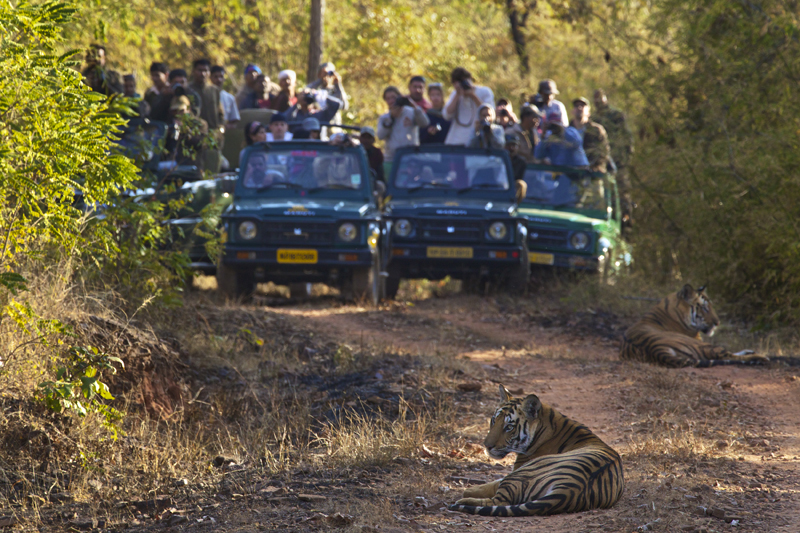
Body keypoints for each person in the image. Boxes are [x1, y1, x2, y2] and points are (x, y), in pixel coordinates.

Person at [592, 88, 634, 228]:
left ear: (606, 98)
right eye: (595, 99)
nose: (598, 101)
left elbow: (627, 136)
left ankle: (626, 223)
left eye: (600, 98)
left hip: (618, 161)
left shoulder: (616, 115)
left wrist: (626, 156)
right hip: (603, 163)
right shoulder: (593, 119)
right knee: (604, 195)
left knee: (623, 194)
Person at [377, 86, 429, 164]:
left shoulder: (411, 112)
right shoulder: (384, 118)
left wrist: (414, 106)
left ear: (399, 97)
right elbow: (380, 136)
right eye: (388, 99)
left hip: (410, 156)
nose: (391, 101)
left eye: (393, 97)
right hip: (391, 158)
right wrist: (391, 118)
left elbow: (425, 123)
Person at [443, 67, 494, 145]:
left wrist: (472, 95)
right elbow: (446, 115)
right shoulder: (455, 94)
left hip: (476, 140)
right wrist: (457, 95)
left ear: (470, 79)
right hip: (456, 141)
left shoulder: (484, 92)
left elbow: (489, 114)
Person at [164, 95, 209, 169]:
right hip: (173, 162)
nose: (178, 114)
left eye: (181, 111)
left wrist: (184, 131)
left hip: (192, 163)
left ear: (188, 109)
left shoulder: (200, 124)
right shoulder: (170, 124)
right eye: (175, 111)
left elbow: (201, 143)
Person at [571, 97, 610, 172]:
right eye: (576, 106)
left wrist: (594, 167)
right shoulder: (567, 131)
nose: (579, 108)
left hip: (592, 173)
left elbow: (604, 151)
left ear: (588, 112)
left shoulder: (597, 130)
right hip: (570, 173)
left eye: (582, 106)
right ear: (572, 111)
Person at [189, 59, 224, 134]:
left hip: (213, 134)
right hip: (194, 133)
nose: (203, 74)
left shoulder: (214, 90)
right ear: (193, 71)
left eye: (206, 71)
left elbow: (220, 113)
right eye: (200, 70)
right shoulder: (187, 90)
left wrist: (220, 127)